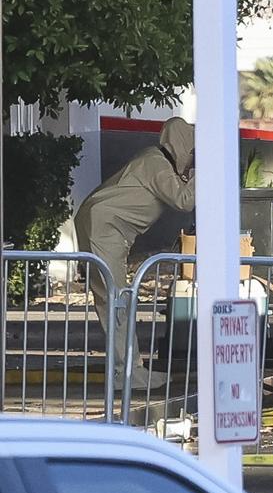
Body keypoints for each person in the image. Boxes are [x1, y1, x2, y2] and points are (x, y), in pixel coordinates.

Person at [74, 118, 196, 389]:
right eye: (191, 151)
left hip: (104, 226)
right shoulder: (156, 163)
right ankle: (126, 373)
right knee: (116, 300)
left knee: (114, 300)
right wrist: (206, 171)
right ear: (182, 145)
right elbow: (184, 201)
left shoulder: (155, 160)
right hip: (105, 227)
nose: (190, 159)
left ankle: (127, 370)